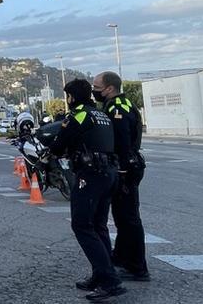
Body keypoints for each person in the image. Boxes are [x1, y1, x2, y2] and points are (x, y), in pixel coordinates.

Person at [50, 79, 127, 301]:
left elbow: (59, 144)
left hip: (90, 175)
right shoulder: (101, 114)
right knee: (99, 225)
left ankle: (110, 280)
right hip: (109, 174)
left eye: (68, 96)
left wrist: (52, 150)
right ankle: (101, 274)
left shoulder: (78, 115)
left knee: (82, 225)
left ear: (72, 97)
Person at [93, 71, 149, 282]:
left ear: (109, 88)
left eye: (97, 87)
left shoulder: (117, 109)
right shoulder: (122, 104)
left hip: (126, 169)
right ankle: (123, 258)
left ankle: (137, 266)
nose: (94, 91)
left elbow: (123, 142)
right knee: (123, 217)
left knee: (128, 219)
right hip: (127, 166)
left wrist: (122, 172)